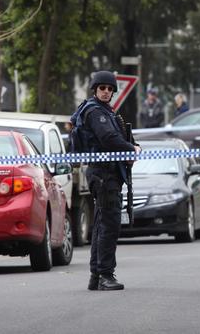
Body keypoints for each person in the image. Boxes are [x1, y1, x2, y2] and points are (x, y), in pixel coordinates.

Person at [70, 70, 141, 291]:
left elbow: (119, 136)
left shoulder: (106, 111)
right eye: (102, 88)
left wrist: (131, 148)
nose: (106, 92)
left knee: (102, 225)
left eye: (110, 89)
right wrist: (131, 149)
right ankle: (105, 275)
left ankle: (96, 275)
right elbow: (109, 138)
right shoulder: (95, 112)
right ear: (95, 89)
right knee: (109, 226)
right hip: (103, 174)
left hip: (108, 173)